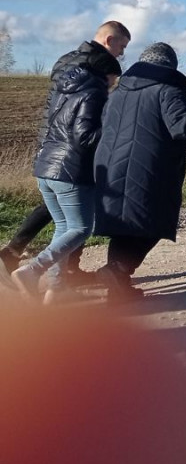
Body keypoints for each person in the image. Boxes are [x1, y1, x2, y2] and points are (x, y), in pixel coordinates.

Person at [1, 21, 128, 280]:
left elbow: (54, 109)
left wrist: (46, 146)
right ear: (109, 40)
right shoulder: (94, 76)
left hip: (52, 147)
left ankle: (44, 271)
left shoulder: (67, 63)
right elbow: (85, 131)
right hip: (70, 154)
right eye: (122, 46)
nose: (122, 53)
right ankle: (40, 270)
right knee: (77, 222)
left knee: (61, 216)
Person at [91, 43, 186, 302]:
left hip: (112, 166)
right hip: (150, 168)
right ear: (170, 65)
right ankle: (115, 271)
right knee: (153, 224)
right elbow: (183, 127)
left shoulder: (117, 91)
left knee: (124, 227)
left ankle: (118, 290)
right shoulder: (167, 89)